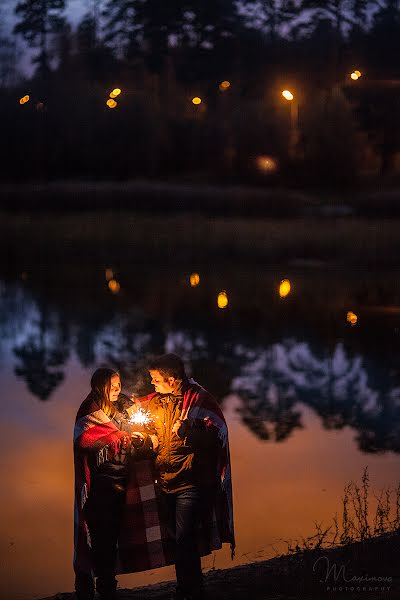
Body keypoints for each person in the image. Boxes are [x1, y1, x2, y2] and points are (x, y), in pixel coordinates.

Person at [136, 354, 235, 600]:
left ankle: (187, 590)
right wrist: (145, 440)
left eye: (155, 379)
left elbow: (216, 438)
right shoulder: (158, 403)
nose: (152, 384)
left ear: (171, 379)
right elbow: (156, 437)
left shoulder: (200, 400)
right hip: (167, 480)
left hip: (192, 481)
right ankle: (192, 587)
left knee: (184, 538)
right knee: (180, 540)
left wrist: (187, 432)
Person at [73, 368, 160, 600]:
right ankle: (92, 586)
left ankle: (107, 587)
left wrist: (140, 441)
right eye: (111, 386)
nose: (116, 389)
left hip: (123, 482)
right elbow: (84, 440)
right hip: (99, 487)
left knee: (113, 539)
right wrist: (119, 437)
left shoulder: (124, 406)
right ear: (99, 386)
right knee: (100, 539)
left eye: (118, 384)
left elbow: (139, 436)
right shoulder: (90, 409)